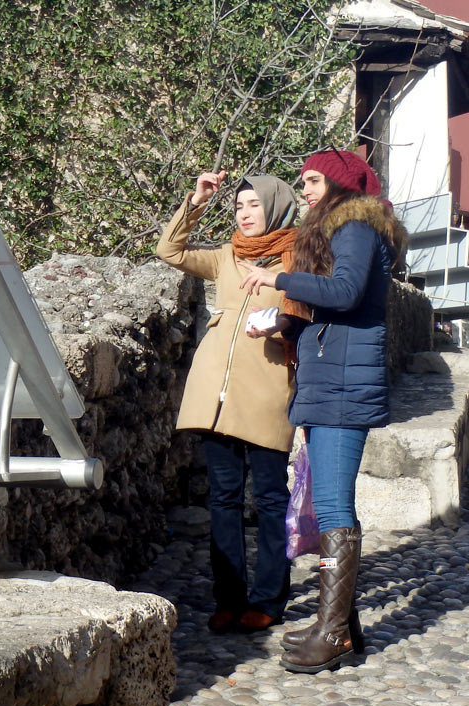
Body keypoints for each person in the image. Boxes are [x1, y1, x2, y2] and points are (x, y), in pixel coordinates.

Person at [239, 149, 407, 673]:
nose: (304, 189)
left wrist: (278, 280)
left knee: (334, 506)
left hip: (342, 387)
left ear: (336, 183)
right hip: (331, 382)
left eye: (312, 180)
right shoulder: (345, 228)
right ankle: (342, 625)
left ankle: (331, 632)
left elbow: (346, 292)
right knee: (331, 502)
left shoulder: (355, 227)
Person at [156, 169, 302, 635]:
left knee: (271, 499)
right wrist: (196, 201)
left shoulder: (297, 258)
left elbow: (312, 312)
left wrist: (281, 324)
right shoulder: (224, 257)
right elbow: (169, 250)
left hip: (267, 391)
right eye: (239, 206)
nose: (244, 213)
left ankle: (269, 600)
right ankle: (229, 599)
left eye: (254, 204)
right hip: (212, 396)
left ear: (276, 207)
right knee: (222, 498)